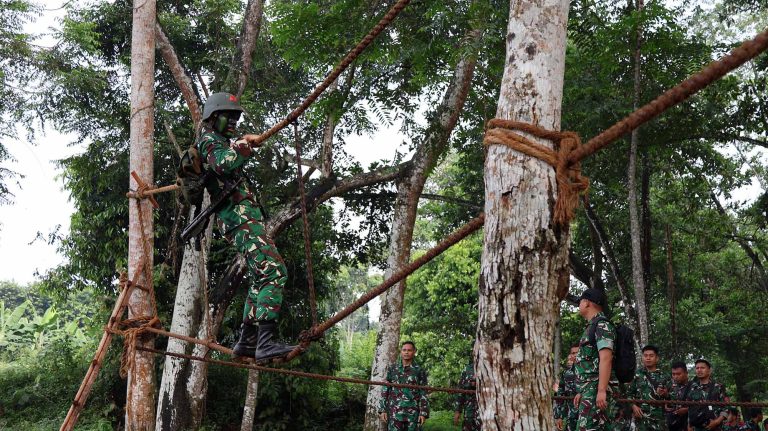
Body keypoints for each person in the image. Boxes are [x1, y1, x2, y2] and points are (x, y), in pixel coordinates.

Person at [197, 92, 295, 362]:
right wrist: (241, 146)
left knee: (259, 276)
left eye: (237, 117)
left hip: (243, 220)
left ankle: (247, 341)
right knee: (275, 271)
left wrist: (240, 143)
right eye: (229, 116)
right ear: (214, 117)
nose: (234, 121)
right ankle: (265, 343)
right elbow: (223, 164)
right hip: (240, 220)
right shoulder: (208, 141)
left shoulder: (221, 142)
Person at [573, 288, 618, 431]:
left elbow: (606, 358)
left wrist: (601, 391)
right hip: (589, 391)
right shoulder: (592, 326)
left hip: (596, 390)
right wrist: (582, 390)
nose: (578, 305)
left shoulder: (602, 325)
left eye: (580, 302)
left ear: (586, 303)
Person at [379, 341, 430, 430]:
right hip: (395, 412)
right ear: (401, 351)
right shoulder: (393, 368)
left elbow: (423, 392)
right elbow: (385, 388)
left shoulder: (419, 370)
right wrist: (382, 409)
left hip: (413, 414)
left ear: (414, 352)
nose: (406, 352)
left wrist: (423, 412)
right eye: (404, 350)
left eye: (409, 350)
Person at [626, 345, 671, 431]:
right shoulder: (636, 375)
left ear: (657, 358)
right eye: (645, 355)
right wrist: (633, 406)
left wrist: (666, 394)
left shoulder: (665, 376)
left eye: (651, 355)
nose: (648, 358)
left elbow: (673, 398)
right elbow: (628, 394)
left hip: (660, 421)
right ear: (642, 358)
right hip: (641, 420)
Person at [685, 358, 728, 431]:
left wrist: (716, 422)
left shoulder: (718, 387)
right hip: (696, 428)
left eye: (702, 368)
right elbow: (690, 408)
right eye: (697, 368)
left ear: (709, 370)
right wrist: (689, 425)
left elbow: (726, 408)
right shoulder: (692, 387)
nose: (699, 370)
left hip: (714, 427)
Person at [554, 343, 580, 431]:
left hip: (588, 416)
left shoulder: (592, 372)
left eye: (578, 352)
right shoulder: (566, 374)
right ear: (570, 355)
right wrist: (559, 416)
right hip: (571, 418)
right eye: (573, 353)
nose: (575, 355)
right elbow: (560, 395)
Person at [453, 360, 480, 431]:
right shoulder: (468, 369)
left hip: (488, 415)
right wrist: (457, 411)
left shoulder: (495, 368)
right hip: (470, 413)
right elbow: (460, 391)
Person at [666, 361, 690, 431]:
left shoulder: (694, 387)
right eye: (673, 374)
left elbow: (702, 406)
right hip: (671, 424)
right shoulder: (670, 386)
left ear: (686, 373)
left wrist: (687, 410)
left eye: (679, 374)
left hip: (687, 425)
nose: (675, 376)